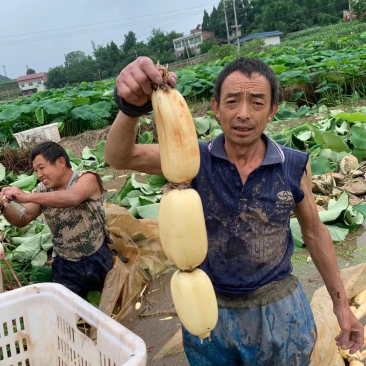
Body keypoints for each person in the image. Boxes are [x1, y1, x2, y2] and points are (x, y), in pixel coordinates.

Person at [104, 56, 364, 365]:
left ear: (273, 110)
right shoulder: (192, 157)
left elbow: (315, 232)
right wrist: (131, 108)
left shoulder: (293, 164)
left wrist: (341, 307)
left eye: (257, 102)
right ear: (215, 107)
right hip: (209, 306)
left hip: (279, 306)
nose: (243, 114)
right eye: (232, 101)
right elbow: (121, 156)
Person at [0, 142, 114, 298]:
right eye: (35, 171)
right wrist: (4, 207)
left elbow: (72, 198)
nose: (39, 175)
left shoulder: (87, 178)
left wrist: (26, 196)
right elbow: (23, 218)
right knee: (65, 312)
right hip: (65, 264)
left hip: (97, 257)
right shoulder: (42, 190)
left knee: (113, 303)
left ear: (61, 162)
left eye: (42, 168)